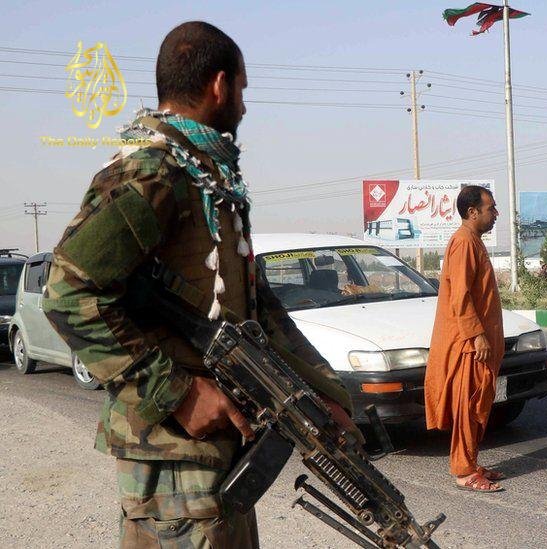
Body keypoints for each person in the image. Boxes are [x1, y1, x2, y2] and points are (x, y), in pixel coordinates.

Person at [42, 22, 353, 547]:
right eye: (243, 91)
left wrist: (322, 392)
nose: (244, 107)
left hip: (215, 452)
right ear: (219, 85)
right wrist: (179, 393)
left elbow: (255, 308)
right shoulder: (153, 173)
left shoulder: (207, 178)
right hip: (173, 456)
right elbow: (68, 293)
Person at [425, 185, 505, 493]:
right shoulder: (463, 242)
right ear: (473, 212)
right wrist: (477, 335)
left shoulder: (473, 241)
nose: (495, 214)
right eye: (491, 208)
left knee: (477, 404)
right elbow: (461, 297)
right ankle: (464, 471)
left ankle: (471, 462)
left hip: (478, 341)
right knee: (468, 407)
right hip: (468, 344)